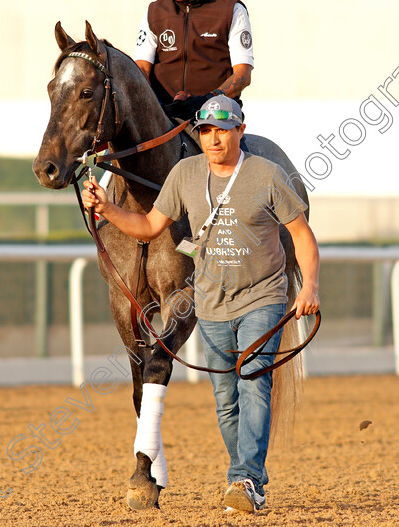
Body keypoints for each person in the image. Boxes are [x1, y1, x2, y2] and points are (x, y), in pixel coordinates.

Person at [82, 96, 320, 514]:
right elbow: (150, 226)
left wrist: (309, 287)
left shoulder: (267, 174)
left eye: (223, 131)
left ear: (240, 131)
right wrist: (107, 207)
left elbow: (301, 235)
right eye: (207, 131)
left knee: (253, 384)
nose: (214, 139)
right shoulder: (184, 175)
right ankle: (243, 472)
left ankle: (247, 480)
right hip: (210, 305)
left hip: (261, 298)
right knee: (226, 398)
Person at [134, 0, 254, 123]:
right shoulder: (154, 11)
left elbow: (243, 75)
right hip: (164, 113)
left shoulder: (232, 10)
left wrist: (207, 100)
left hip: (216, 113)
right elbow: (141, 70)